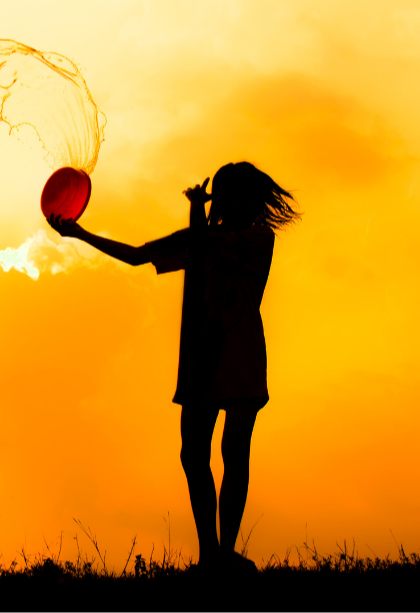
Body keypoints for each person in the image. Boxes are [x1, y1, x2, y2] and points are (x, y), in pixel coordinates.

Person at [47, 161, 299, 571]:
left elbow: (203, 244)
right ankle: (211, 555)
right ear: (225, 199)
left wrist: (196, 212)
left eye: (251, 195)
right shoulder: (202, 237)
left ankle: (226, 552)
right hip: (201, 363)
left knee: (233, 452)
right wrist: (79, 233)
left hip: (240, 360)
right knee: (193, 456)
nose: (248, 203)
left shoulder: (258, 238)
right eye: (238, 194)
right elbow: (136, 256)